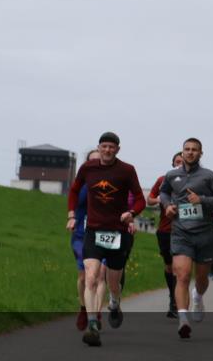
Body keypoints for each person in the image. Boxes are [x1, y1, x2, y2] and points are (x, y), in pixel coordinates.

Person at [67, 132, 146, 347]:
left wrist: (132, 213)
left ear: (118, 149)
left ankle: (115, 301)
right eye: (104, 146)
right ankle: (93, 324)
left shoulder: (126, 170)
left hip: (117, 233)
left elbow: (140, 198)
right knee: (91, 277)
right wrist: (72, 215)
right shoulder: (88, 168)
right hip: (93, 230)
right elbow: (74, 190)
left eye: (112, 147)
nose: (107, 150)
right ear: (99, 147)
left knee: (113, 282)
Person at [159, 138, 213, 339]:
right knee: (181, 275)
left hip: (205, 234)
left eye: (194, 150)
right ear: (182, 153)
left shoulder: (209, 176)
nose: (190, 153)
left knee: (201, 279)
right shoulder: (172, 175)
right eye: (187, 149)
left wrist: (202, 200)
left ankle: (198, 297)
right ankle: (183, 319)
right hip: (181, 232)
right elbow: (163, 193)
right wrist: (168, 206)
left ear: (201, 153)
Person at [70, 150, 105, 330]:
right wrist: (72, 217)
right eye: (91, 161)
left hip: (105, 234)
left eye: (98, 161)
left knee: (100, 275)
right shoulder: (81, 183)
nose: (95, 164)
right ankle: (84, 308)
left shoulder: (110, 183)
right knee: (84, 276)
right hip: (82, 234)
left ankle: (96, 313)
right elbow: (73, 202)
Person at [149, 152, 184, 318]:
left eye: (182, 162)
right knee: (170, 266)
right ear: (172, 164)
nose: (179, 164)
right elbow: (149, 199)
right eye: (177, 162)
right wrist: (165, 201)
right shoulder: (163, 179)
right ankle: (172, 296)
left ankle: (177, 303)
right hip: (165, 230)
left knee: (180, 267)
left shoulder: (195, 181)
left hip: (185, 230)